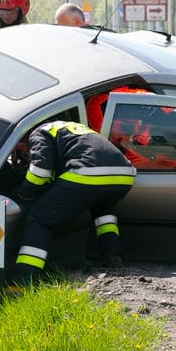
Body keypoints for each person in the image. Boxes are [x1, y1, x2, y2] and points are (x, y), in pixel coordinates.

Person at [12, 120, 137, 285]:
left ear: (22, 139)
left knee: (39, 219)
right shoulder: (69, 128)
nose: (24, 157)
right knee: (103, 214)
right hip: (124, 175)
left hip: (88, 173)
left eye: (22, 154)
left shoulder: (38, 133)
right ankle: (112, 258)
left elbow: (40, 172)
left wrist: (24, 193)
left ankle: (26, 279)